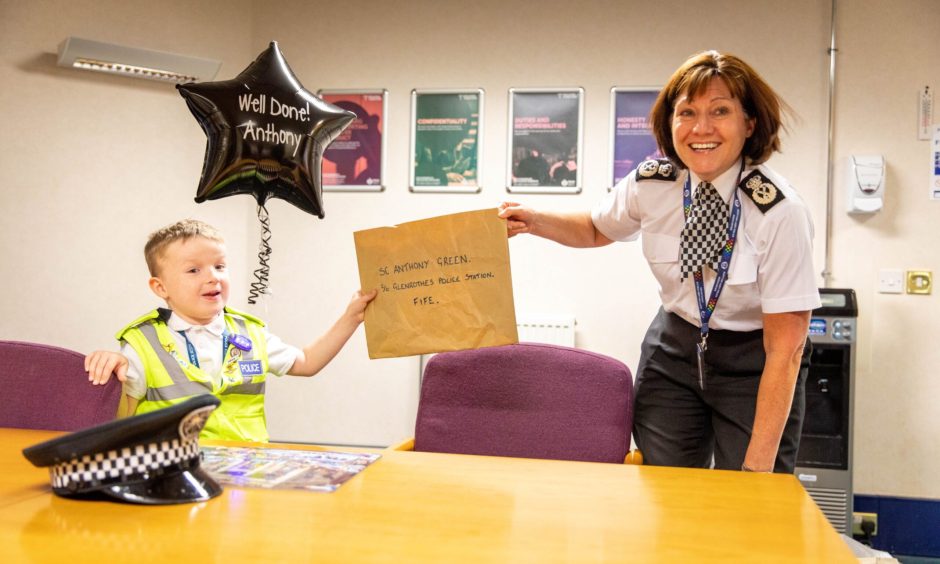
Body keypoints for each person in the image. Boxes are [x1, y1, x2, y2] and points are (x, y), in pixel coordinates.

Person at [499, 50, 820, 474]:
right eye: (687, 112)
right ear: (670, 124)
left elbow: (787, 347)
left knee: (750, 503)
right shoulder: (654, 182)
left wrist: (756, 476)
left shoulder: (778, 212)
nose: (701, 128)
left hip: (755, 361)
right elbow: (597, 229)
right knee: (664, 488)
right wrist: (534, 220)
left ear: (749, 123)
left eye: (720, 111)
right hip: (675, 351)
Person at [84, 219, 376, 442]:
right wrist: (114, 371)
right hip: (173, 475)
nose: (213, 277)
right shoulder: (142, 342)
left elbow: (307, 363)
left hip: (246, 471)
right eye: (193, 270)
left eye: (220, 266)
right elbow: (119, 423)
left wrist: (351, 317)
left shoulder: (250, 333)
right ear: (160, 287)